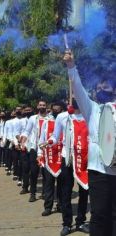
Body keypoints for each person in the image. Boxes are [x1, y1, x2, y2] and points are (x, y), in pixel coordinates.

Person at [64, 50, 116, 236]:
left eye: (106, 86)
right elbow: (77, 88)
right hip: (99, 171)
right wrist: (71, 66)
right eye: (99, 87)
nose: (102, 89)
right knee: (100, 214)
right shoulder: (92, 109)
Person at [48, 100, 89, 235]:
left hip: (84, 158)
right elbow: (55, 135)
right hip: (68, 158)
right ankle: (66, 223)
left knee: (84, 190)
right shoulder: (63, 116)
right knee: (65, 191)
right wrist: (50, 142)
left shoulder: (89, 115)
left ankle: (81, 222)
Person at [20, 100, 52, 202]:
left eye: (44, 105)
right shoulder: (33, 118)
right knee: (34, 172)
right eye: (40, 105)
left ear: (46, 107)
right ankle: (33, 193)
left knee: (46, 172)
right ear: (37, 107)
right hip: (34, 148)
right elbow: (27, 131)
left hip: (46, 149)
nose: (42, 106)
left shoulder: (51, 118)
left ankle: (44, 192)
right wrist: (23, 141)